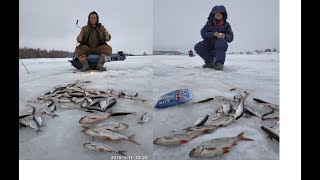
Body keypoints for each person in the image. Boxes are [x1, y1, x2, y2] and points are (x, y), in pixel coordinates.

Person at [194, 5, 234, 70]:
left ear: (223, 15)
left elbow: (231, 38)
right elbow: (203, 33)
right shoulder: (208, 23)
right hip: (209, 43)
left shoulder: (226, 25)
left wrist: (225, 36)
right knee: (198, 46)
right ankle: (210, 63)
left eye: (220, 14)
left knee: (220, 42)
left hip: (219, 45)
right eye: (216, 14)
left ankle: (219, 64)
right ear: (213, 15)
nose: (218, 15)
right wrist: (212, 34)